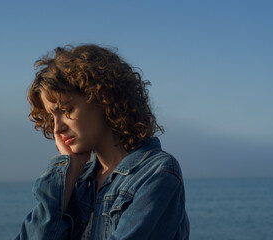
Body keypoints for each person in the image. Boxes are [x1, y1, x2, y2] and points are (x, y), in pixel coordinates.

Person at [16, 44, 190, 239]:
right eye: (51, 117)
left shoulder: (156, 173)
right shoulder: (79, 181)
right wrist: (65, 177)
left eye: (66, 110)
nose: (57, 128)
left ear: (102, 98)